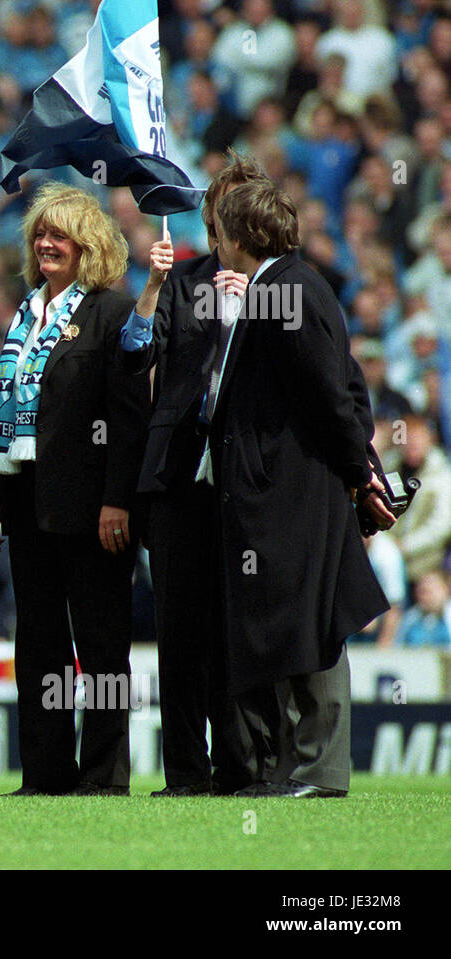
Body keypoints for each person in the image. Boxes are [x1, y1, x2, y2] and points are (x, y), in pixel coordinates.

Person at [203, 180, 389, 797]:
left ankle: (319, 770)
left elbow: (332, 397)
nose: (215, 242)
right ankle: (293, 768)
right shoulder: (277, 290)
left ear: (241, 235)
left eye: (220, 230)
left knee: (307, 620)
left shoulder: (287, 291)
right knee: (284, 621)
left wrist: (361, 475)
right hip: (280, 488)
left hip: (296, 489)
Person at [0, 183, 150, 796]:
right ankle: (45, 774)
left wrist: (118, 498)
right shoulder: (26, 311)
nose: (46, 244)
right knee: (39, 641)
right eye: (40, 235)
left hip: (92, 505)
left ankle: (104, 776)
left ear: (88, 246)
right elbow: (6, 410)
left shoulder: (112, 310)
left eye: (59, 236)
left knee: (102, 646)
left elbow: (128, 415)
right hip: (26, 500)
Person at [116, 153, 271, 796]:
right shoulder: (182, 282)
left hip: (247, 482)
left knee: (237, 628)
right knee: (180, 632)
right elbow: (133, 354)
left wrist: (247, 316)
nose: (225, 221)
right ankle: (185, 770)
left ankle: (243, 768)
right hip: (179, 477)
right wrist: (151, 288)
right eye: (218, 208)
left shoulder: (283, 287)